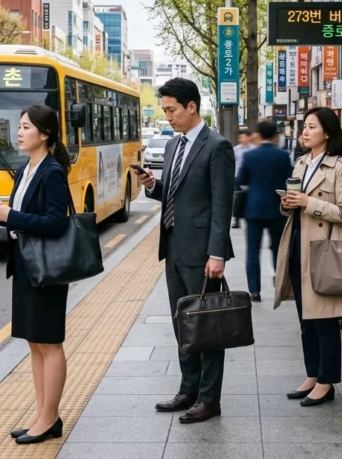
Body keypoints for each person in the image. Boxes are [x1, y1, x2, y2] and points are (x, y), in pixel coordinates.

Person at [136, 78, 235, 424]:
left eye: (171, 110)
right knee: (182, 323)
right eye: (164, 110)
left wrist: (217, 254)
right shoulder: (172, 146)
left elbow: (222, 204)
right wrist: (153, 186)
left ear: (192, 107)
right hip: (174, 245)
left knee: (206, 325)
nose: (167, 117)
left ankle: (209, 399)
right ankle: (188, 388)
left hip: (203, 251)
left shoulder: (216, 146)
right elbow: (176, 193)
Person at [0, 105, 73, 445]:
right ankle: (41, 413)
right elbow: (21, 215)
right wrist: (2, 213)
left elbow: (56, 223)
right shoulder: (25, 169)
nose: (19, 132)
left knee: (49, 344)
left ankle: (50, 418)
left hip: (46, 269)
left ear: (45, 134)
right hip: (25, 264)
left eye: (25, 127)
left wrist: (12, 216)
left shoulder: (51, 171)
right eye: (19, 126)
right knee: (35, 343)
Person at [275, 107, 342, 407]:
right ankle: (312, 374)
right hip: (298, 245)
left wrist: (309, 203)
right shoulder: (300, 163)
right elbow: (294, 204)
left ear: (327, 132)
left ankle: (327, 381)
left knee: (324, 319)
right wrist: (288, 203)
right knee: (305, 318)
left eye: (311, 127)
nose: (305, 132)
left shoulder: (340, 167)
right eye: (304, 126)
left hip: (324, 249)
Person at [236, 119, 292, 302]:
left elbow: (241, 179)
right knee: (277, 248)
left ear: (259, 135)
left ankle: (254, 291)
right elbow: (289, 180)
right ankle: (280, 285)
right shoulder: (283, 156)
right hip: (276, 209)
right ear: (275, 135)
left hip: (253, 209)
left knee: (252, 250)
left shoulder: (249, 156)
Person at [233, 128, 253, 229]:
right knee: (238, 199)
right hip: (237, 176)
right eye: (240, 137)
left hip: (250, 176)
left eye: (244, 136)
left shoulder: (253, 149)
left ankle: (247, 217)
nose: (242, 139)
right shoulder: (236, 149)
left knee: (248, 198)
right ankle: (236, 220)